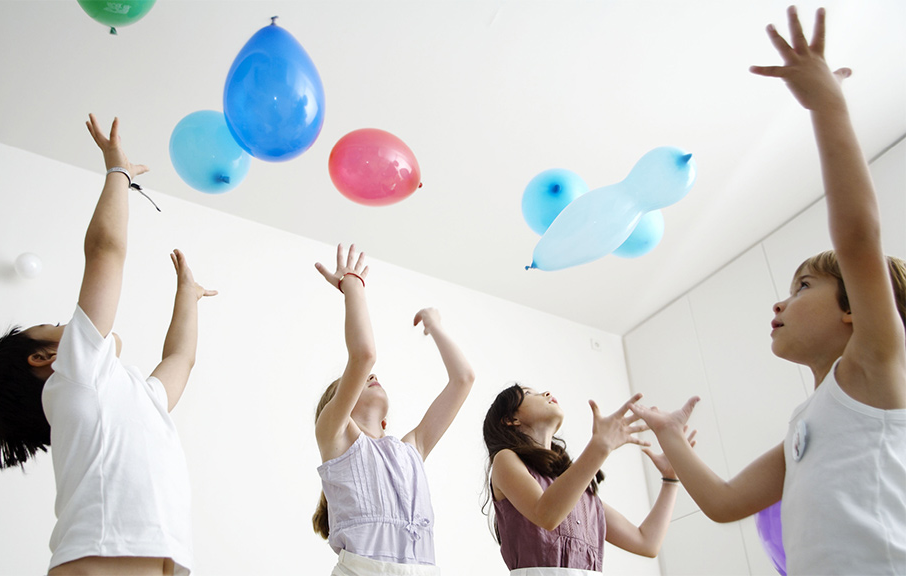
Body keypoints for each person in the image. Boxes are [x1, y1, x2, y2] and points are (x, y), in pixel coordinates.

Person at [629, 7, 906, 575]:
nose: (780, 302)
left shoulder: (875, 373)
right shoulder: (809, 422)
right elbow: (726, 502)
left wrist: (826, 103)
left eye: (804, 286)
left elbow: (858, 237)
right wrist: (672, 438)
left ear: (856, 309)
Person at [0, 115, 216, 576]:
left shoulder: (131, 395)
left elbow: (180, 359)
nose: (77, 325)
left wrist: (188, 297)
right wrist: (116, 173)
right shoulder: (74, 376)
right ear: (45, 358)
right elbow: (105, 252)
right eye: (61, 324)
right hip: (101, 563)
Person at [311, 244, 475, 575]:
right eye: (353, 382)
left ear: (386, 419)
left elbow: (463, 379)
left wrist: (435, 324)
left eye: (372, 378)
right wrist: (352, 286)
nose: (371, 376)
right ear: (338, 403)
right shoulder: (335, 435)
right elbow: (364, 355)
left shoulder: (409, 450)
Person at [482, 384, 694, 575]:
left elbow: (647, 542)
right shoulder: (505, 459)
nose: (546, 392)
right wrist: (600, 446)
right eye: (529, 393)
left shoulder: (578, 491)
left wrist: (670, 479)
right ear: (510, 419)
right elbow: (546, 514)